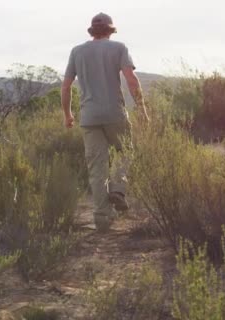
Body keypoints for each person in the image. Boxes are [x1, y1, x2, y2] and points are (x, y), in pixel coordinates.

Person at [61, 12, 149, 232]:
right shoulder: (119, 48)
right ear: (110, 31)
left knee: (96, 168)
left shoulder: (77, 52)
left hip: (89, 118)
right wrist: (142, 109)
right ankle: (119, 190)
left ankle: (101, 219)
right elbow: (131, 79)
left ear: (92, 31)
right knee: (126, 151)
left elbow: (66, 86)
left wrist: (68, 115)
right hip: (114, 114)